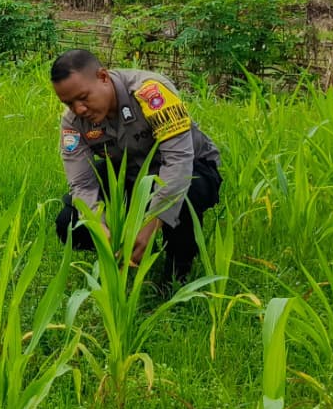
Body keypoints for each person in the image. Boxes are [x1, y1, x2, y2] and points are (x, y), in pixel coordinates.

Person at [50, 49, 221, 280]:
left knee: (184, 197)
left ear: (102, 77)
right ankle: (123, 250)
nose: (79, 109)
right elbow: (81, 182)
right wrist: (96, 223)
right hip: (130, 173)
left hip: (192, 167)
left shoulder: (151, 92)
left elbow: (178, 162)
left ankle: (177, 274)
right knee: (69, 220)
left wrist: (153, 221)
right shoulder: (73, 122)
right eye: (69, 103)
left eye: (83, 98)